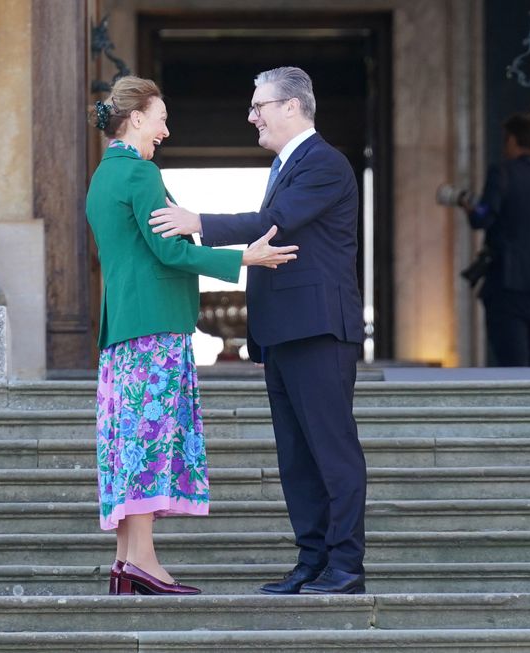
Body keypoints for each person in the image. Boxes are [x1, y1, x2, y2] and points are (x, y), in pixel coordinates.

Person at [148, 67, 366, 595]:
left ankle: (345, 567)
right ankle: (312, 561)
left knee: (331, 453)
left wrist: (196, 221)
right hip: (285, 333)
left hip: (318, 331)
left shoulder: (324, 164)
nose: (251, 116)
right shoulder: (287, 165)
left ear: (291, 107)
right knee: (296, 457)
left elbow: (276, 221)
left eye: (259, 106)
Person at [85, 76, 298, 597]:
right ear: (135, 118)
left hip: (125, 330)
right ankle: (143, 561)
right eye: (160, 117)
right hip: (154, 328)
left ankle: (126, 561)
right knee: (149, 441)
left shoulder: (103, 175)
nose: (165, 128)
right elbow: (169, 252)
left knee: (130, 440)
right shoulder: (140, 174)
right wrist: (244, 258)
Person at [458, 113, 530, 366]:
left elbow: (484, 216)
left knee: (512, 361)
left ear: (512, 140)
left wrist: (470, 207)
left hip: (507, 280)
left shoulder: (503, 172)